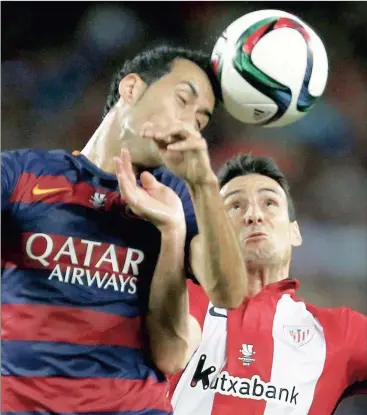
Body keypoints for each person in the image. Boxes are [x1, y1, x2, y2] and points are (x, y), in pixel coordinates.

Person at [1, 45, 248, 415]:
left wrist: (203, 184)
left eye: (200, 122)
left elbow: (228, 292)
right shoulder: (23, 172)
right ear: (131, 88)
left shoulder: (180, 196)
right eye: (183, 100)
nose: (187, 124)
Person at [169, 154, 367, 415]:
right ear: (214, 234)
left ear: (295, 232)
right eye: (235, 206)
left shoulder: (340, 332)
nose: (254, 215)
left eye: (270, 202)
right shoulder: (175, 300)